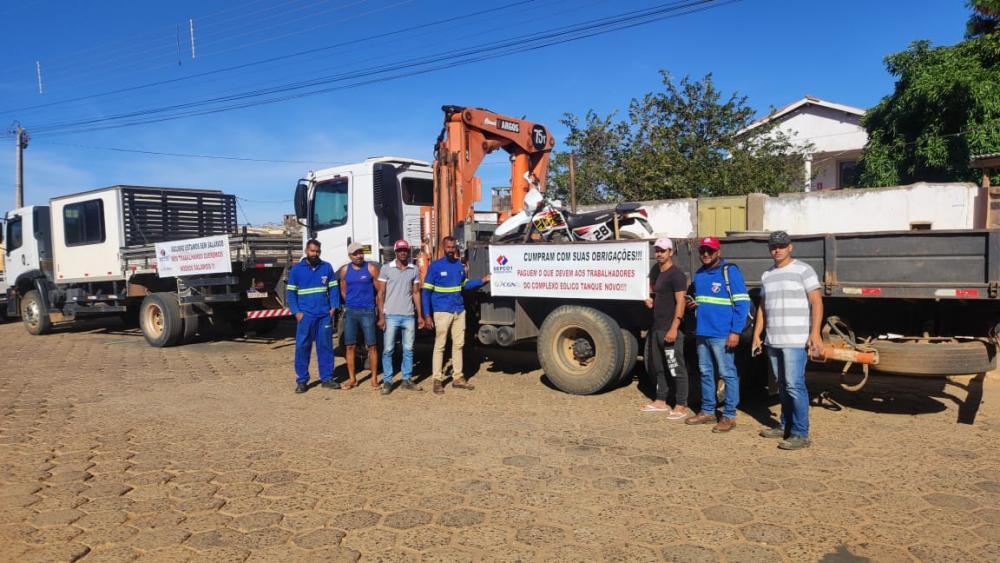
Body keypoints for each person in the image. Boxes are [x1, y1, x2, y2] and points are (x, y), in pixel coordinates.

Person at [751, 230, 823, 450]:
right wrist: (757, 335)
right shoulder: (767, 275)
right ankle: (785, 425)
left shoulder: (804, 270)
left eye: (781, 246)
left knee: (794, 385)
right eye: (773, 246)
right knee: (781, 386)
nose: (777, 250)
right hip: (774, 340)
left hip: (795, 340)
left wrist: (815, 333)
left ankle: (801, 433)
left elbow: (817, 303)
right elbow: (763, 308)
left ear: (790, 247)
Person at [685, 236, 751, 432]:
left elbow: (742, 303)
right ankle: (707, 411)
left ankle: (729, 415)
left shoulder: (730, 272)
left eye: (710, 251)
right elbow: (703, 301)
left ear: (718, 252)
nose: (705, 254)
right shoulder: (699, 275)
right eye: (702, 251)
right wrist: (693, 305)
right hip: (703, 333)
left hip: (722, 334)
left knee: (727, 373)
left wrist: (735, 332)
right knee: (706, 373)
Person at [422, 236, 490, 395]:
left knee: (459, 345)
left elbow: (464, 285)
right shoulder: (435, 266)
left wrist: (482, 280)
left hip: (458, 311)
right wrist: (426, 315)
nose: (451, 250)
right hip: (442, 311)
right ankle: (437, 380)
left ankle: (458, 377)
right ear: (442, 247)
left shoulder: (459, 266)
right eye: (448, 247)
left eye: (453, 247)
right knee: (440, 346)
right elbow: (426, 291)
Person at [642, 237, 690, 420]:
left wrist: (674, 328)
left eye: (663, 250)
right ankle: (661, 401)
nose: (659, 254)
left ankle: (680, 404)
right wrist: (651, 301)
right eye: (657, 251)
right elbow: (659, 296)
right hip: (657, 328)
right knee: (659, 367)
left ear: (671, 252)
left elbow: (680, 302)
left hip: (670, 329)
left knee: (675, 367)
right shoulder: (658, 272)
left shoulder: (676, 275)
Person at [286, 239, 341, 394]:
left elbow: (333, 289)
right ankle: (302, 381)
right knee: (303, 348)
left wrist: (333, 308)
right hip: (305, 317)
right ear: (306, 250)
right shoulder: (297, 270)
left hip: (324, 315)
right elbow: (290, 293)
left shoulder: (327, 267)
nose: (315, 254)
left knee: (325, 347)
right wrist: (297, 312)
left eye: (317, 251)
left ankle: (327, 378)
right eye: (312, 251)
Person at [376, 239, 425, 395]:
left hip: (409, 315)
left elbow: (416, 293)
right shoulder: (386, 269)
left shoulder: (414, 269)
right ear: (395, 252)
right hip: (391, 315)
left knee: (409, 349)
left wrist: (420, 315)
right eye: (400, 250)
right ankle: (388, 381)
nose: (403, 252)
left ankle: (406, 379)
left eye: (405, 250)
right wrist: (382, 316)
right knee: (388, 349)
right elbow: (380, 293)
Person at [338, 242, 380, 390]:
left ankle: (374, 379)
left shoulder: (371, 268)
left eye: (361, 252)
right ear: (350, 255)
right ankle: (352, 379)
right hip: (351, 312)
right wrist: (351, 303)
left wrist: (377, 309)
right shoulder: (344, 270)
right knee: (350, 346)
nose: (359, 255)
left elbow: (380, 291)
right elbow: (343, 290)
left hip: (368, 312)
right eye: (355, 253)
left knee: (372, 346)